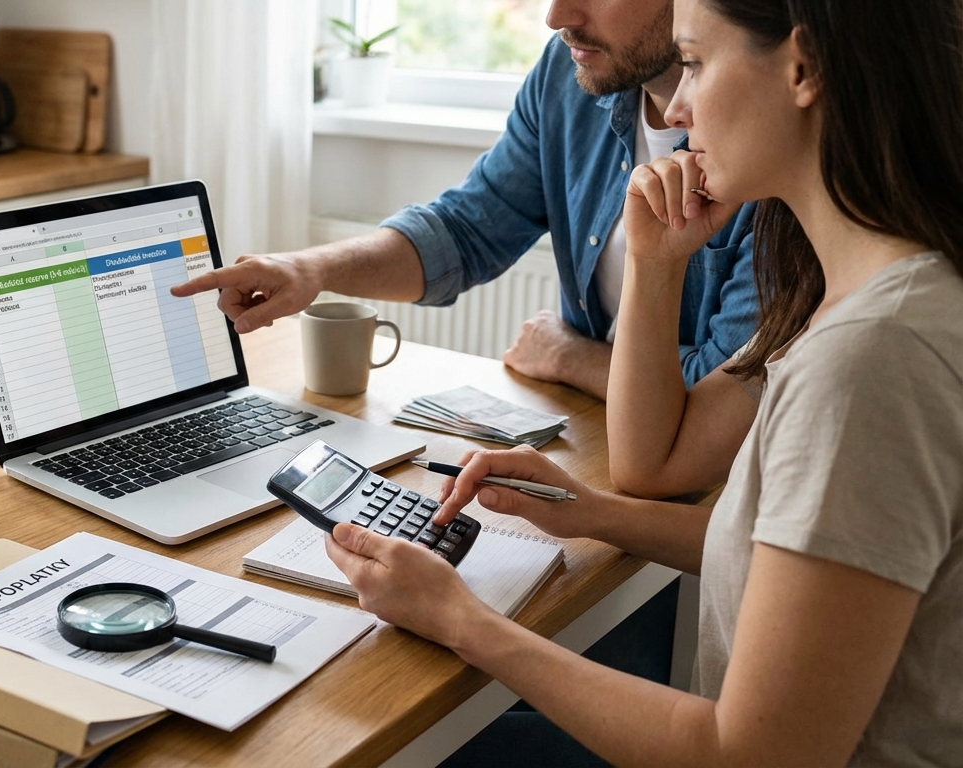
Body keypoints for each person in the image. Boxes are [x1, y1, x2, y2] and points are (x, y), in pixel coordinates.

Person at [326, 0, 963, 764]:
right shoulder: (874, 291)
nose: (680, 106)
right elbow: (787, 551)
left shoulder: (869, 360)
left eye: (693, 62)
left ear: (806, 68)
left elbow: (748, 756)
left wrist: (459, 618)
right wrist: (590, 512)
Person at [171, 0, 759, 400]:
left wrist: (569, 358)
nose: (557, 16)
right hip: (593, 435)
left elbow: (722, 390)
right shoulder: (569, 72)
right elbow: (466, 232)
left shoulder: (766, 148)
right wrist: (311, 269)